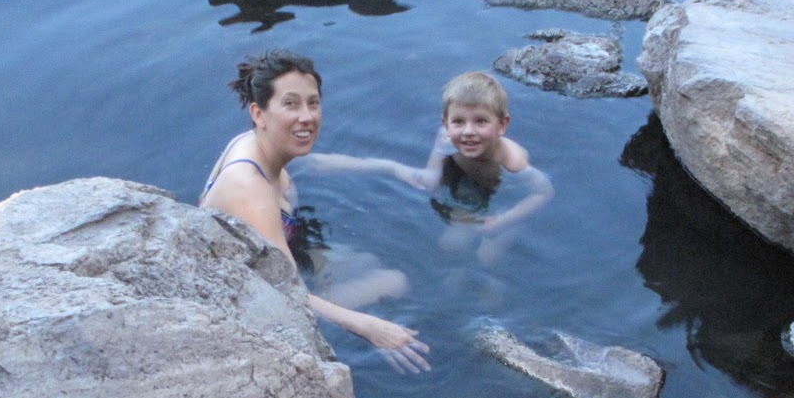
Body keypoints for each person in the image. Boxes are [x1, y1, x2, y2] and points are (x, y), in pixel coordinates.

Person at [201, 51, 432, 373]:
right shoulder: (250, 188)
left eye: (313, 103)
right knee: (396, 281)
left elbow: (316, 164)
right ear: (259, 113)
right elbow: (288, 293)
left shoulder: (254, 142)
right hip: (252, 297)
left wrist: (389, 167)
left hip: (286, 256)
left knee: (369, 262)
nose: (307, 116)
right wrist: (370, 329)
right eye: (291, 104)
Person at [309, 71, 554, 265]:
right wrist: (423, 176)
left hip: (507, 198)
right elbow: (432, 179)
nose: (468, 131)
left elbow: (544, 192)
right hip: (470, 188)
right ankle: (460, 272)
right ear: (446, 124)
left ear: (502, 125)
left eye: (481, 121)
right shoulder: (446, 139)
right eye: (458, 121)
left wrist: (504, 220)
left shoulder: (512, 161)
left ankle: (493, 283)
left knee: (486, 258)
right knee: (450, 246)